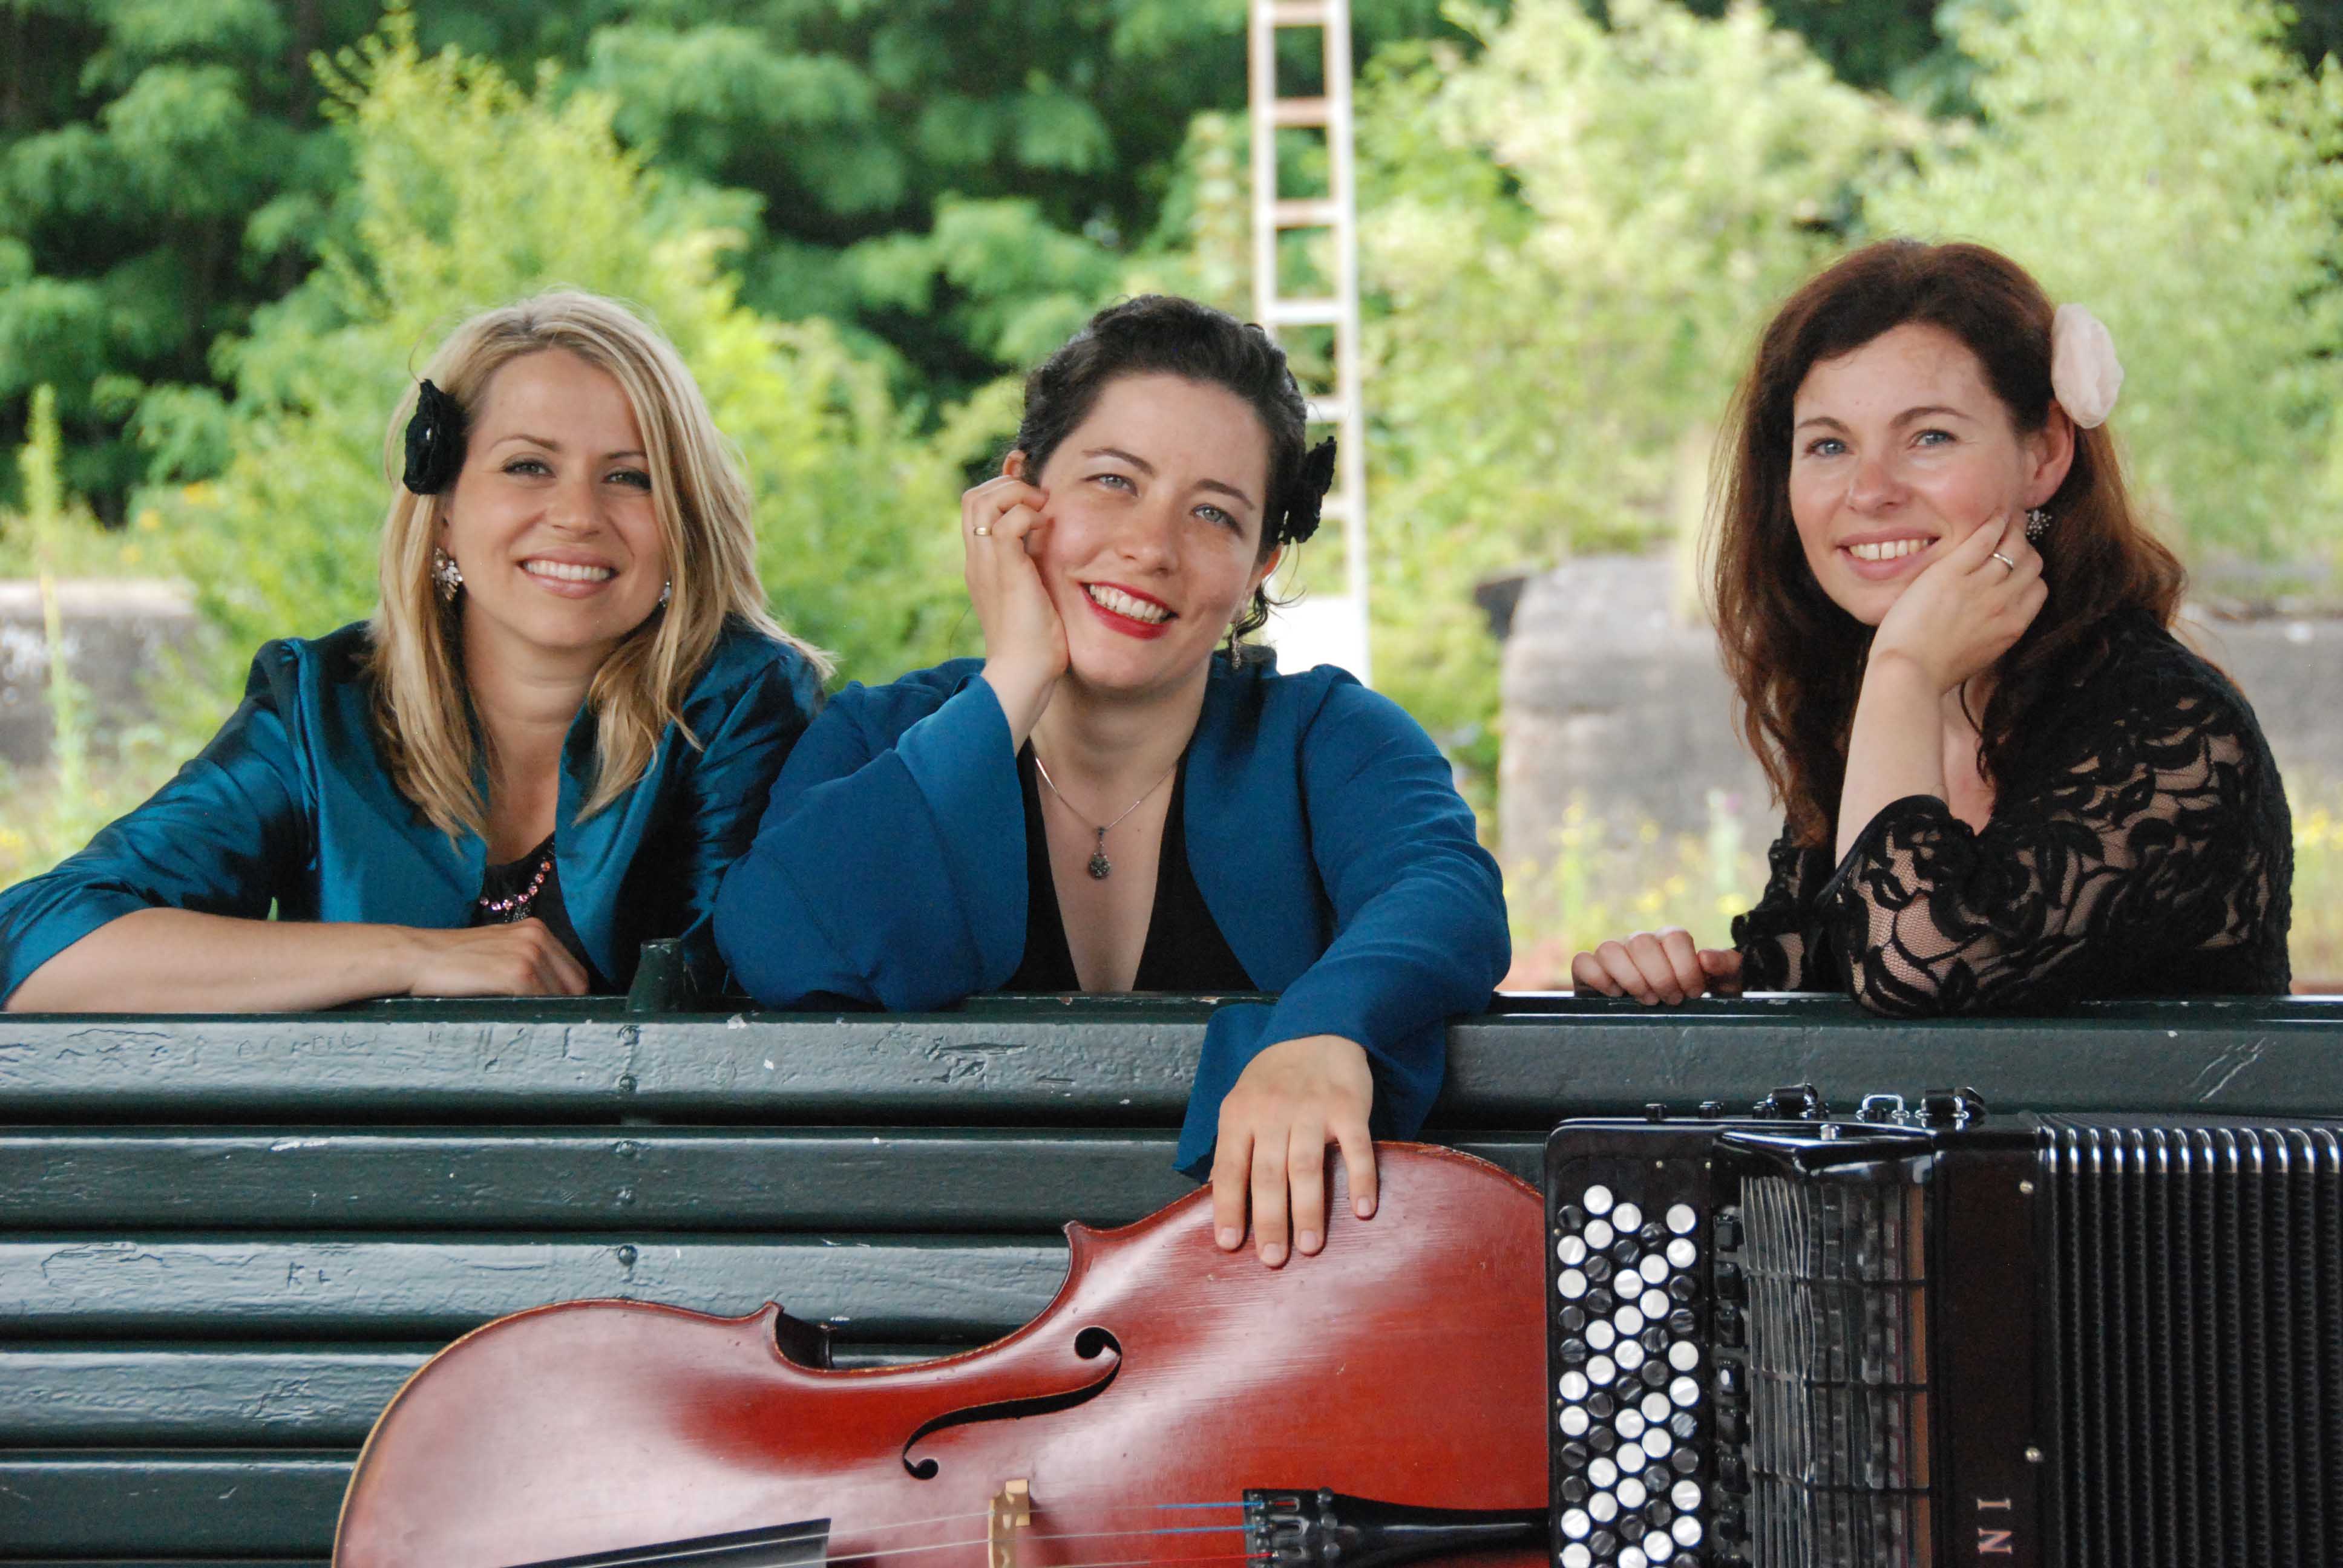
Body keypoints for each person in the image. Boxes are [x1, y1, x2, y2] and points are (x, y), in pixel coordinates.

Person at [714, 295, 1509, 1266]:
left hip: (1241, 1342)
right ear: (1016, 498)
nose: (1152, 546)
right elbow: (776, 941)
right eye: (1113, 481)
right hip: (922, 1324)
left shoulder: (1326, 739)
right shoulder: (880, 736)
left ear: (1259, 564)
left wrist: (1325, 1030)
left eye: (1213, 513)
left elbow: (1445, 893)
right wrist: (1015, 677)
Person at [0, 291, 826, 1012]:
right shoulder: (321, 712)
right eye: (529, 466)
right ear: (442, 514)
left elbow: (728, 1005)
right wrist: (414, 956)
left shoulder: (741, 704)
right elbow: (37, 949)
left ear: (683, 523)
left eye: (631, 477)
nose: (578, 514)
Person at [1571, 239, 2291, 1014]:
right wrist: (1711, 983)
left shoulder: (2170, 727)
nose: (1868, 490)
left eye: (1928, 437)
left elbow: (1911, 970)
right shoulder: (1874, 708)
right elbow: (1838, 980)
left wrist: (1903, 672)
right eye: (1827, 445)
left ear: (2045, 452)